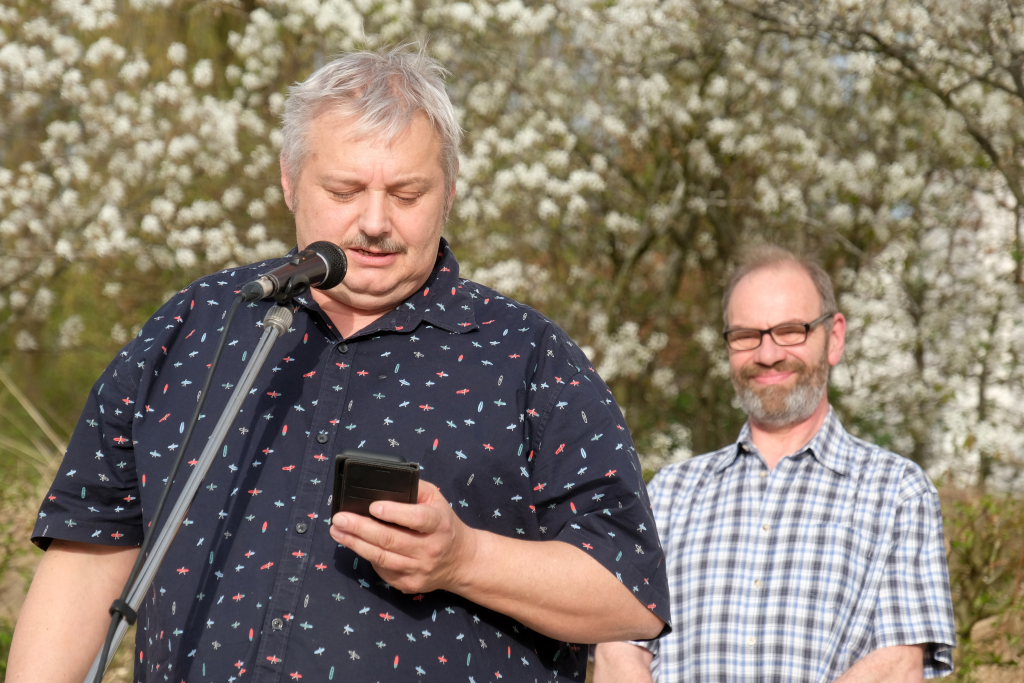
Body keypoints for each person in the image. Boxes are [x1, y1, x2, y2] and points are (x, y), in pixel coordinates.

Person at [8, 46, 669, 682]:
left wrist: (466, 559)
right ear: (289, 180)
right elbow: (87, 550)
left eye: (407, 194)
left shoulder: (528, 356)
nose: (375, 221)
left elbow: (630, 593)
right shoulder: (195, 325)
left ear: (450, 192)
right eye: (345, 189)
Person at [595, 245, 957, 682]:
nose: (768, 354)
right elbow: (619, 648)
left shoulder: (898, 492)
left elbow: (897, 663)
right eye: (746, 335)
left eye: (790, 331)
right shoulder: (669, 493)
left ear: (834, 337)